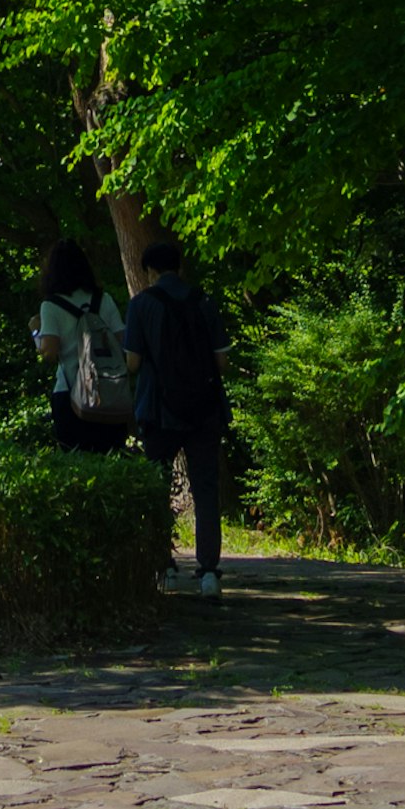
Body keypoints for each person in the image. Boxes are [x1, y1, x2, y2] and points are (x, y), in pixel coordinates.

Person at [127, 231, 230, 595]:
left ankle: (163, 566)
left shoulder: (141, 305)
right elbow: (221, 361)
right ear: (180, 267)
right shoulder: (205, 302)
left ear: (150, 271)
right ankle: (208, 572)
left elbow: (134, 363)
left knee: (157, 486)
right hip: (204, 408)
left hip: (158, 409)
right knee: (205, 488)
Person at [32, 232, 138, 452]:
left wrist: (35, 332)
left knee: (78, 465)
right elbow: (122, 342)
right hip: (108, 392)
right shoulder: (103, 300)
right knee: (111, 458)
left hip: (70, 395)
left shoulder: (51, 306)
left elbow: (48, 353)